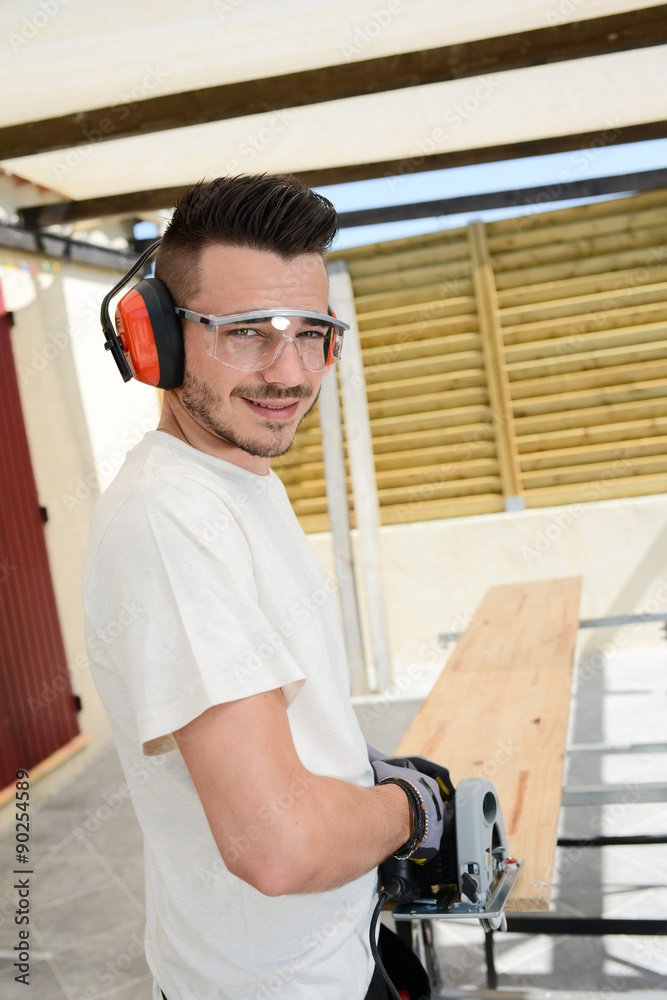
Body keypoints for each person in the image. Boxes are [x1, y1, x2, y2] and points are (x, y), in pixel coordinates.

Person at [83, 175, 447, 1000]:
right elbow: (274, 844)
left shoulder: (236, 477)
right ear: (158, 341)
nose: (289, 372)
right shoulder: (169, 523)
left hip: (324, 958)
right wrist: (411, 811)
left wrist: (353, 775)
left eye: (312, 333)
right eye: (245, 332)